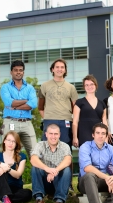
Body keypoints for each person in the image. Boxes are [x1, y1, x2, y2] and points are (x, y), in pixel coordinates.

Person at [38, 58, 78, 192]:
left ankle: (69, 184)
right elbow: (40, 107)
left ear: (65, 70)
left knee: (66, 152)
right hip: (49, 120)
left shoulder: (71, 87)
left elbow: (75, 108)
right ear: (52, 69)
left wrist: (67, 118)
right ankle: (45, 183)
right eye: (57, 67)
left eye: (62, 67)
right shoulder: (44, 86)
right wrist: (48, 119)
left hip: (65, 121)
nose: (60, 69)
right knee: (45, 152)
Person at [30, 124, 72, 203]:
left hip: (58, 182)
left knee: (67, 170)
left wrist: (55, 171)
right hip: (45, 181)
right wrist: (47, 169)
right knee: (35, 167)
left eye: (56, 134)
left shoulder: (65, 146)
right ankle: (39, 199)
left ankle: (59, 201)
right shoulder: (40, 145)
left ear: (59, 135)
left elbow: (68, 160)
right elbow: (33, 159)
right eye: (51, 133)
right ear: (46, 134)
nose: (53, 136)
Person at [0, 60, 37, 157]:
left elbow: (33, 104)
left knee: (35, 154)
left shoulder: (30, 88)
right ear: (11, 72)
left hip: (27, 123)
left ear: (23, 72)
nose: (18, 72)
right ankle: (11, 172)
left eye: (20, 70)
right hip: (10, 122)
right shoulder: (5, 87)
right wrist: (26, 100)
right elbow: (9, 102)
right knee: (9, 154)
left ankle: (37, 172)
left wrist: (15, 107)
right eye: (15, 70)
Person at [72, 75, 107, 147]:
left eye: (91, 84)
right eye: (86, 85)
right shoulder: (79, 102)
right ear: (84, 87)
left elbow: (105, 122)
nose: (89, 87)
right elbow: (75, 122)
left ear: (96, 85)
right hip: (83, 135)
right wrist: (75, 137)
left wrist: (106, 137)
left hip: (98, 136)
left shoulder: (102, 103)